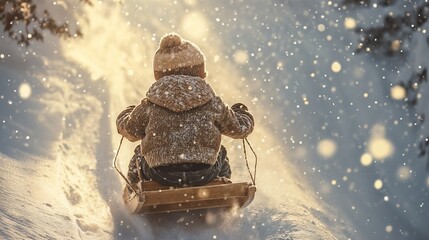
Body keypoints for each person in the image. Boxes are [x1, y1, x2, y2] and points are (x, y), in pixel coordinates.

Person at [116, 33, 254, 188]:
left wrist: (126, 114)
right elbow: (239, 129)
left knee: (139, 155)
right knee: (220, 153)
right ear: (199, 71)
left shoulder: (150, 105)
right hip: (204, 173)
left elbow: (130, 130)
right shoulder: (213, 103)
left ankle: (135, 190)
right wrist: (241, 113)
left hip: (161, 174)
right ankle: (220, 188)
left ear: (159, 74)